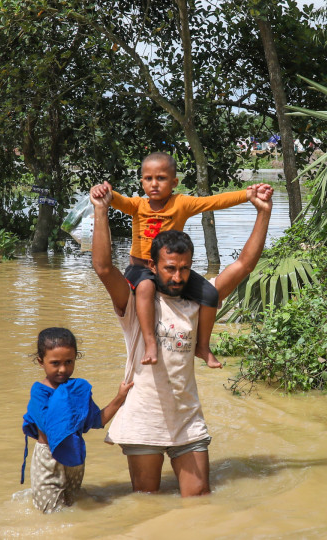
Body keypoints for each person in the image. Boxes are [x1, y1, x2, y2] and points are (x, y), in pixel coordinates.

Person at [89, 180, 273, 497]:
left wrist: (263, 214)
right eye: (170, 268)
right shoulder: (134, 302)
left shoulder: (196, 301)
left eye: (185, 269)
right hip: (144, 416)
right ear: (152, 265)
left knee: (199, 497)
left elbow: (243, 265)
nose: (177, 277)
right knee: (147, 500)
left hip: (187, 417)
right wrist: (101, 211)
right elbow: (104, 268)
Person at [90, 152, 257, 368]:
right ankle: (150, 343)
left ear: (174, 182)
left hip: (169, 270)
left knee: (210, 294)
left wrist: (248, 194)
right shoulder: (136, 205)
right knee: (146, 287)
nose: (154, 184)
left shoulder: (181, 204)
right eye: (148, 178)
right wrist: (103, 192)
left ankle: (203, 346)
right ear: (141, 182)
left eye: (161, 178)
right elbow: (113, 198)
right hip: (140, 268)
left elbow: (213, 202)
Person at [21, 327, 133, 513]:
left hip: (74, 455)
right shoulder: (40, 392)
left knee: (73, 503)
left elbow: (97, 420)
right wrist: (67, 397)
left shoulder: (77, 391)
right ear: (41, 362)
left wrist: (120, 397)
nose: (63, 369)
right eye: (55, 363)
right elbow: (47, 426)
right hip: (48, 457)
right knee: (48, 512)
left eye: (69, 362)